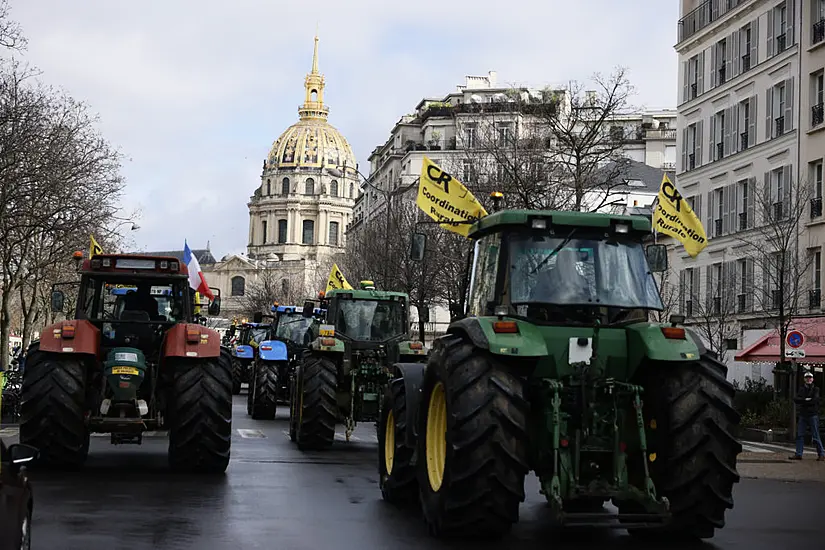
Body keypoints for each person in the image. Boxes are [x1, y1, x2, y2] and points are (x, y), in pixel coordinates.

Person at [789, 371, 824, 461]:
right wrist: (807, 400)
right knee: (800, 435)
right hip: (804, 414)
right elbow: (796, 399)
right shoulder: (802, 389)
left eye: (810, 377)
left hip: (812, 414)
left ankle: (821, 454)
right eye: (807, 378)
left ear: (812, 379)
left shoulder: (816, 389)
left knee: (815, 435)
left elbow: (815, 400)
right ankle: (799, 453)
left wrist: (804, 401)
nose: (808, 379)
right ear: (804, 379)